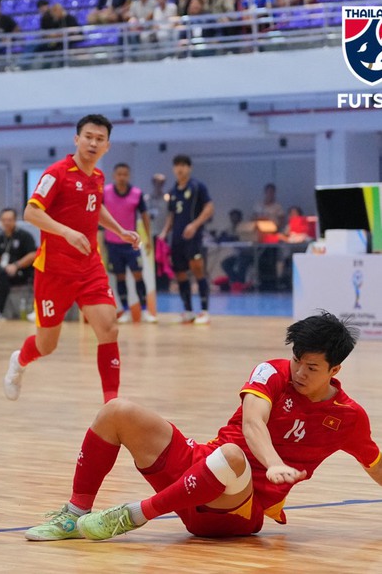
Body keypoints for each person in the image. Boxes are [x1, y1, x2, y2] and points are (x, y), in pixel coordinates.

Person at [24, 312, 382, 542]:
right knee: (116, 411)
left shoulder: (349, 417)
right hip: (202, 468)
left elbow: (375, 464)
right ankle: (74, 515)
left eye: (313, 367)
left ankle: (134, 514)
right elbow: (254, 421)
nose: (300, 372)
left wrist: (268, 467)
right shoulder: (272, 372)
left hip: (238, 508)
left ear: (335, 371)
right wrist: (274, 462)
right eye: (297, 360)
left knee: (232, 455)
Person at [3, 115, 141, 404]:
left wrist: (120, 230)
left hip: (89, 267)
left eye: (99, 139)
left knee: (108, 328)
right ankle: (20, 360)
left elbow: (95, 206)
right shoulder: (57, 173)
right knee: (46, 344)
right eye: (88, 136)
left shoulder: (98, 177)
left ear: (107, 146)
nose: (93, 142)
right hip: (54, 271)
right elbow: (31, 212)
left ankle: (111, 405)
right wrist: (66, 232)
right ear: (77, 139)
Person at [159, 154, 214, 324]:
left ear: (189, 168)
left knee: (197, 269)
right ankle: (188, 310)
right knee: (180, 273)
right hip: (177, 239)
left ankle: (204, 311)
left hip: (193, 237)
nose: (179, 169)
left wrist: (194, 225)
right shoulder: (173, 191)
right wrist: (164, 233)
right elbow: (172, 215)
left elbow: (209, 208)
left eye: (183, 165)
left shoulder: (198, 187)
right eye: (176, 165)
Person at [103, 163, 155, 323]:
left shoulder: (137, 194)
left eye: (125, 174)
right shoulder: (105, 192)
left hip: (131, 243)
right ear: (114, 176)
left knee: (138, 275)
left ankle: (145, 310)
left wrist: (148, 238)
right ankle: (124, 310)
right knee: (120, 277)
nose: (122, 177)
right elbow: (97, 213)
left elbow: (145, 216)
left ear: (129, 176)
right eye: (119, 174)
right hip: (112, 243)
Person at [0, 207, 37, 321]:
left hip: (21, 272)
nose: (6, 222)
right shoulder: (0, 236)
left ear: (15, 220)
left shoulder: (24, 236)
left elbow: (33, 254)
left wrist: (16, 265)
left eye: (9, 219)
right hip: (3, 271)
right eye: (4, 220)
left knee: (3, 272)